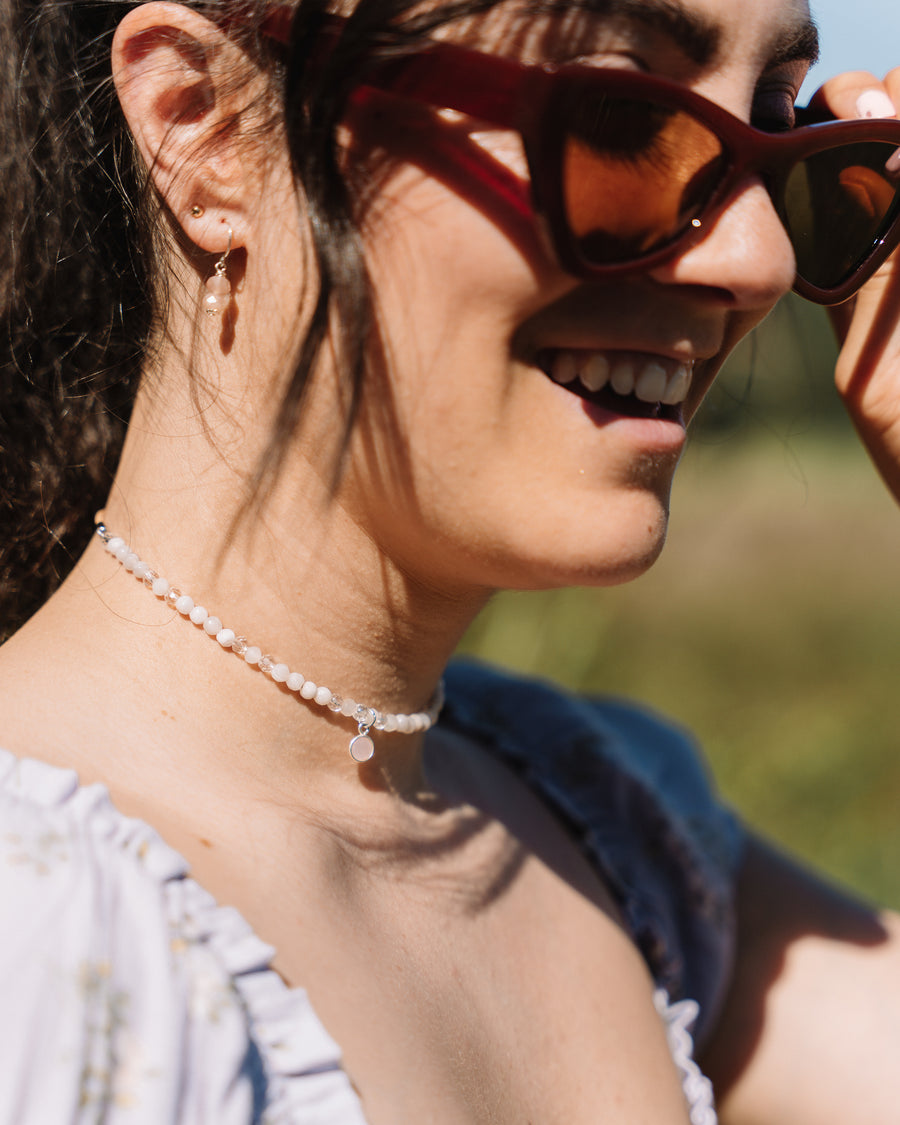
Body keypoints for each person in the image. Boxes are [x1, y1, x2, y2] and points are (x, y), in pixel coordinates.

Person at [2, 0, 900, 1121]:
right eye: (625, 121)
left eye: (784, 135)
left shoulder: (603, 829)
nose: (758, 259)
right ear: (206, 127)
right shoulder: (40, 943)